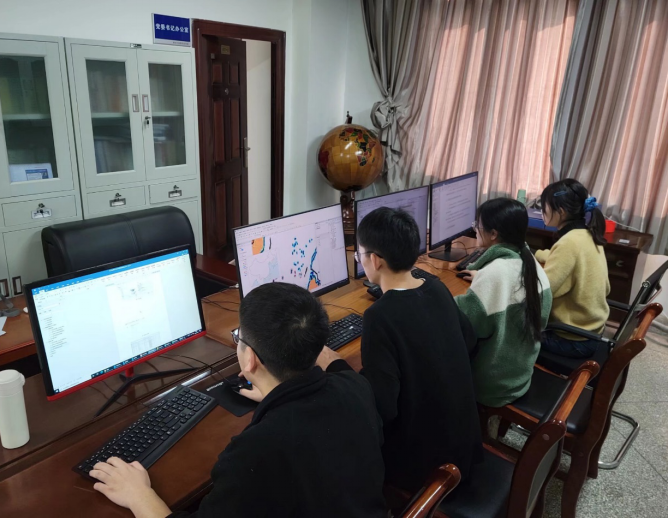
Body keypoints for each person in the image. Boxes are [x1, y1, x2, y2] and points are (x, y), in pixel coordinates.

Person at [90, 283, 388, 518]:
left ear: (249, 359)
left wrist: (139, 496)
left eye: (239, 338)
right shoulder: (355, 386)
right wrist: (274, 392)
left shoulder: (255, 452)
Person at [317, 207, 482, 494]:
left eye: (359, 254)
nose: (359, 259)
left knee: (331, 441)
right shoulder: (436, 287)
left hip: (427, 468)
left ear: (375, 260)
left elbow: (382, 408)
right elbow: (469, 341)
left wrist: (336, 365)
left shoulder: (380, 316)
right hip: (464, 447)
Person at [454, 198, 553, 408]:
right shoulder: (530, 263)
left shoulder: (495, 274)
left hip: (492, 385)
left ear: (493, 234)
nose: (475, 229)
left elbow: (464, 327)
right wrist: (483, 280)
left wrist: (437, 297)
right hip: (520, 372)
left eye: (478, 225)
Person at [536, 178, 610, 358]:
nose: (542, 211)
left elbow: (542, 291)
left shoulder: (569, 243)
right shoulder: (587, 233)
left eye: (544, 206)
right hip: (591, 331)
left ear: (560, 211)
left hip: (571, 338)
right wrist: (537, 254)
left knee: (507, 329)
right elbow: (569, 260)